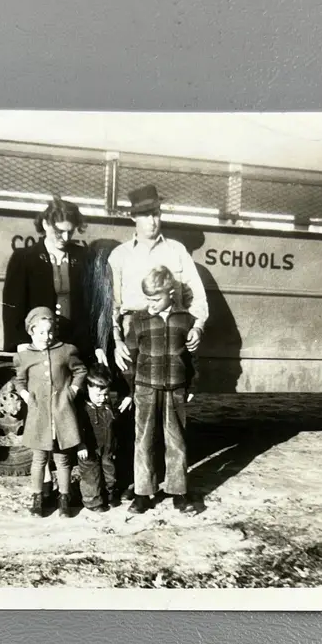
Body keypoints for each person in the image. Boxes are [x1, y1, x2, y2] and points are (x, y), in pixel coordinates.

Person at [121, 266, 200, 515]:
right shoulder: (139, 320)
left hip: (175, 389)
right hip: (145, 388)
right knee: (143, 441)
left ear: (171, 293)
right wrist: (129, 388)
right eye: (148, 299)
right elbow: (131, 358)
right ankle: (143, 494)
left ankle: (178, 492)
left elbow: (193, 359)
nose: (151, 304)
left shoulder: (185, 320)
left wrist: (191, 385)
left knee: (176, 441)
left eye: (156, 299)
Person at [107, 184, 209, 372]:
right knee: (133, 394)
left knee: (172, 392)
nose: (152, 221)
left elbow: (196, 296)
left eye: (155, 214)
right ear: (133, 217)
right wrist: (117, 340)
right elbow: (112, 304)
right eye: (145, 215)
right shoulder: (120, 255)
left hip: (172, 335)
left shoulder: (177, 251)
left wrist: (197, 327)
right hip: (133, 335)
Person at [2, 194, 109, 366]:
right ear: (45, 224)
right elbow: (12, 306)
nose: (65, 238)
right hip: (38, 344)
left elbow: (94, 306)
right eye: (59, 232)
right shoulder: (24, 258)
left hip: (77, 345)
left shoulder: (85, 257)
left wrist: (97, 344)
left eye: (70, 232)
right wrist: (21, 343)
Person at [13, 307, 87, 518]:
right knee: (39, 459)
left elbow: (80, 371)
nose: (47, 337)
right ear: (31, 332)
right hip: (39, 415)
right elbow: (19, 379)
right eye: (42, 333)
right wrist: (26, 396)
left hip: (62, 413)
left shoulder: (65, 350)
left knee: (63, 459)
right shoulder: (24, 355)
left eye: (50, 332)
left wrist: (72, 391)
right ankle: (37, 498)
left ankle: (64, 497)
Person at [75, 366, 125, 512]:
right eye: (98, 395)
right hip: (88, 449)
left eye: (105, 394)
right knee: (91, 476)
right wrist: (80, 444)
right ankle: (93, 502)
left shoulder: (107, 406)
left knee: (109, 473)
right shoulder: (83, 409)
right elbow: (76, 428)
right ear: (87, 389)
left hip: (107, 448)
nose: (102, 398)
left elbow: (113, 427)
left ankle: (109, 495)